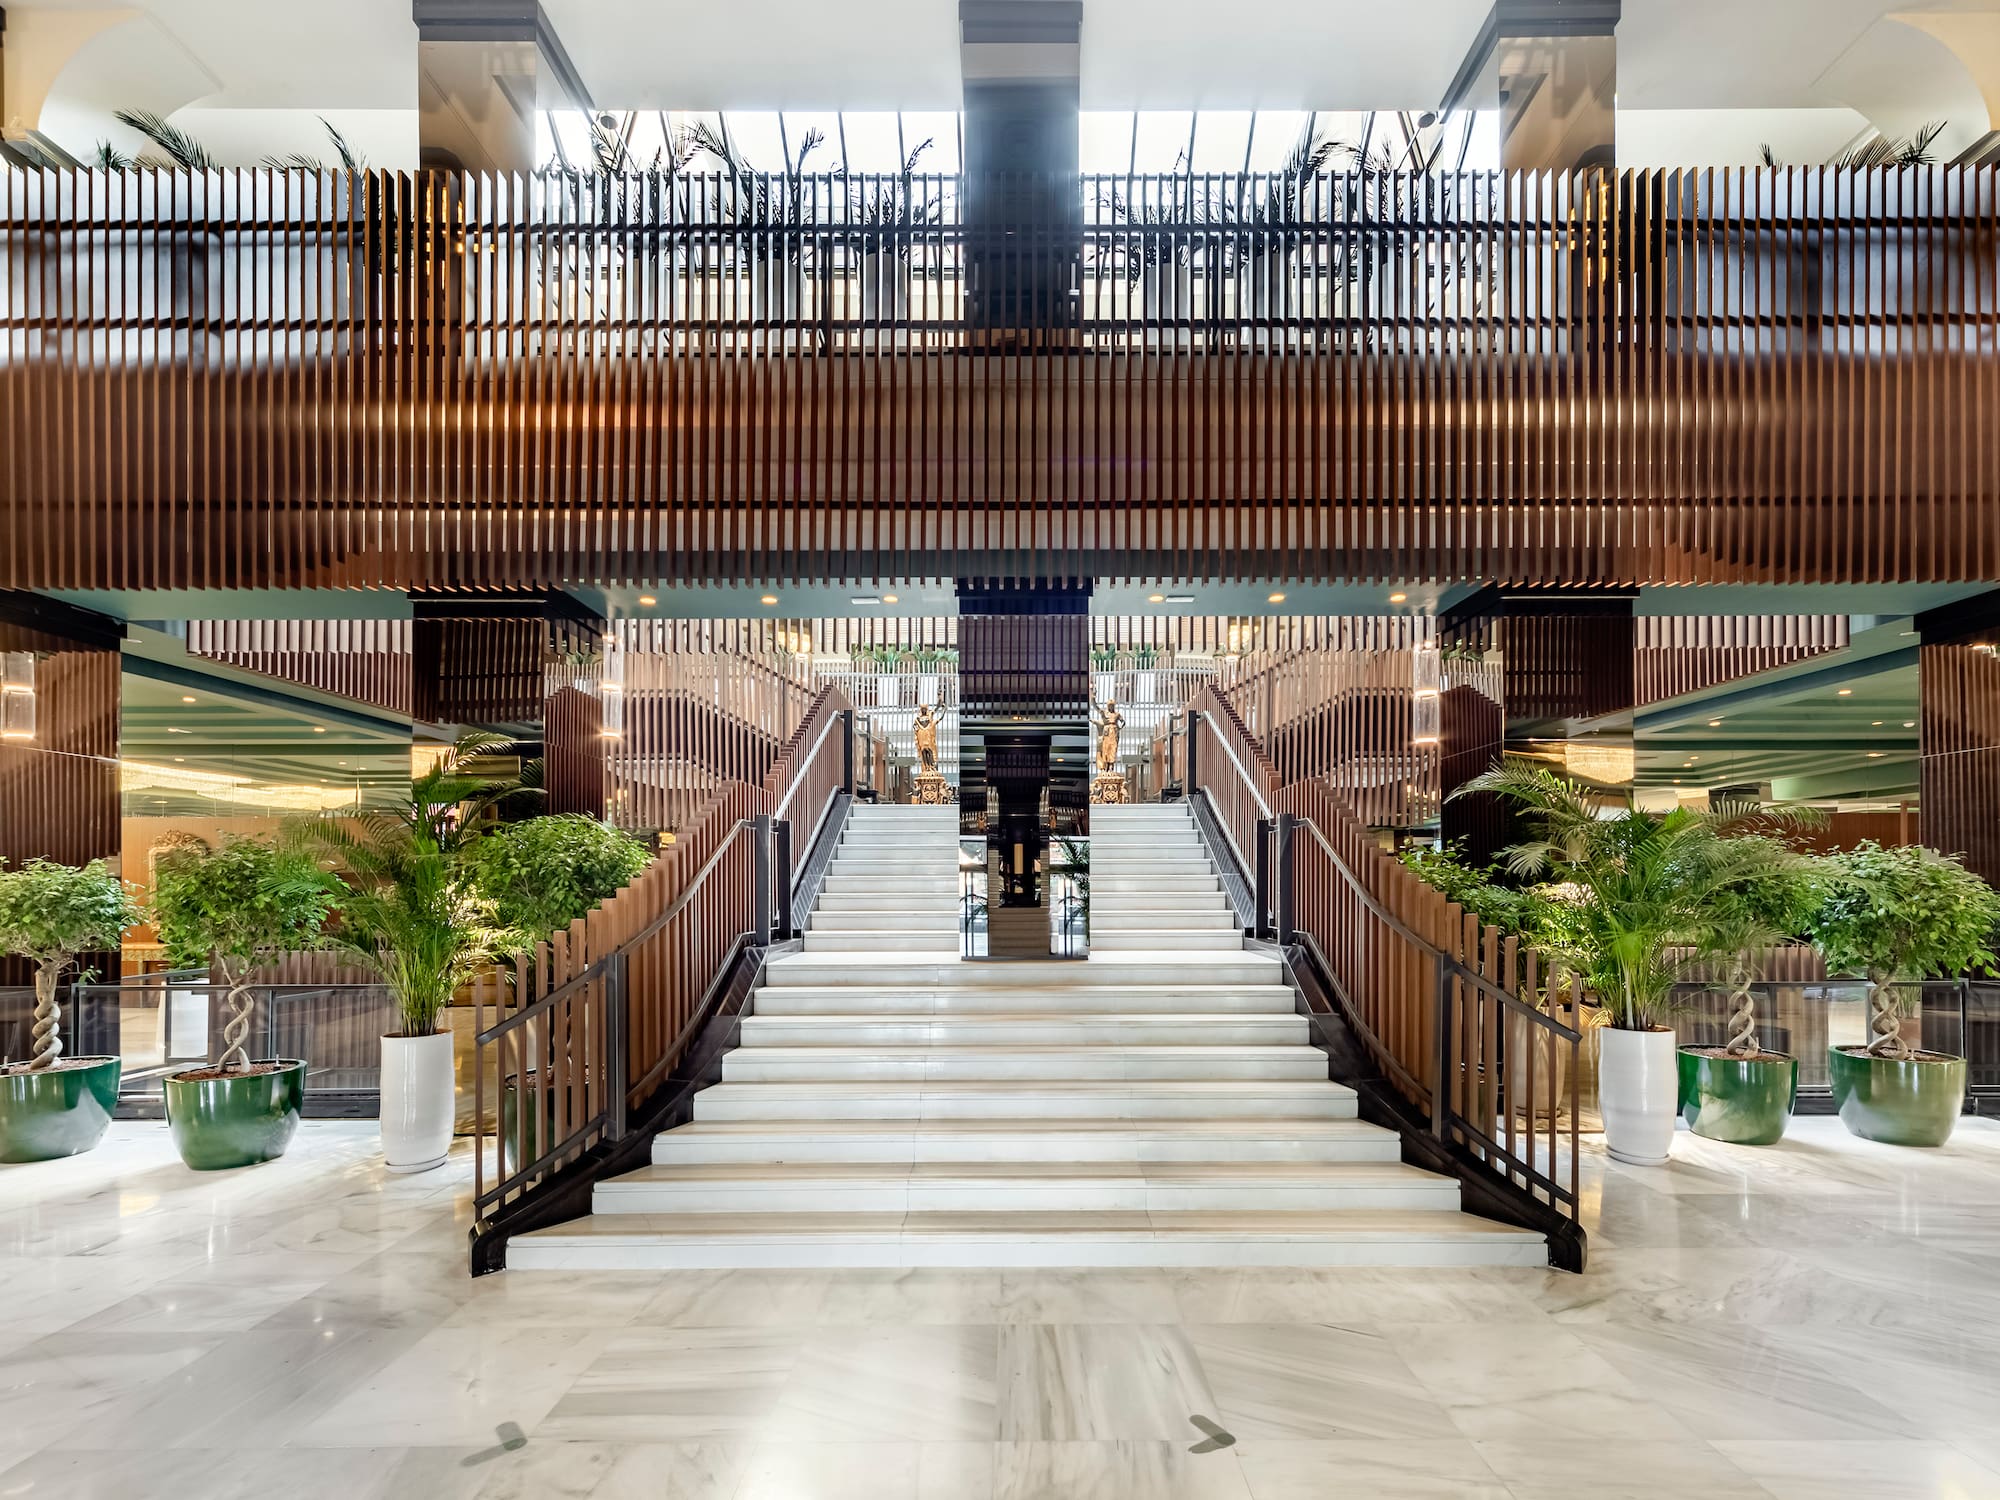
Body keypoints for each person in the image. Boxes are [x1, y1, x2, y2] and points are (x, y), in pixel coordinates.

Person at [1092, 697, 1124, 774]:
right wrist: (1093, 699)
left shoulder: (1117, 714)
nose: (1111, 707)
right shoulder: (1104, 713)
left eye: (1112, 705)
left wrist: (1120, 727)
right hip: (1106, 732)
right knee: (1105, 749)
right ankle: (1105, 766)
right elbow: (1096, 707)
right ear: (1107, 706)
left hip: (1114, 732)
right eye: (1109, 705)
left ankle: (1111, 767)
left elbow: (1123, 721)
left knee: (1113, 749)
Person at [913, 703, 940, 775]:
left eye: (925, 709)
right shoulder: (917, 719)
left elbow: (937, 708)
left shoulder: (930, 716)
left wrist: (940, 700)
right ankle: (926, 767)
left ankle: (931, 766)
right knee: (923, 751)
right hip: (921, 735)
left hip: (928, 736)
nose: (924, 710)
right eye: (922, 709)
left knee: (929, 750)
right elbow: (915, 728)